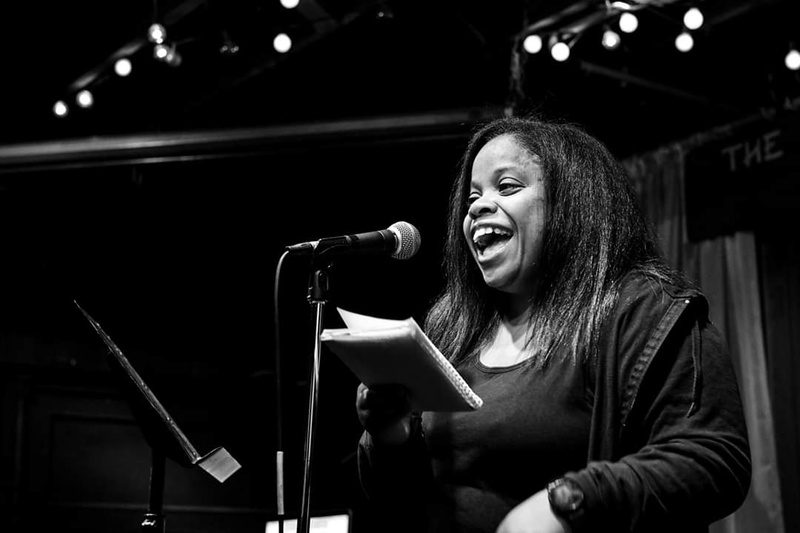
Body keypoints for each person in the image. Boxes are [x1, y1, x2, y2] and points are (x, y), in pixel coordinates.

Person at [354, 115, 751, 533]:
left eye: (506, 187)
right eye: (472, 196)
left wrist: (570, 501)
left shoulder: (638, 309)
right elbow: (397, 500)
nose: (476, 207)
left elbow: (713, 460)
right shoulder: (451, 326)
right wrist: (390, 440)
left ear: (570, 202)